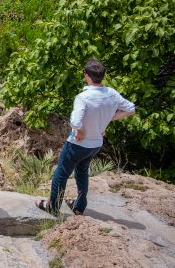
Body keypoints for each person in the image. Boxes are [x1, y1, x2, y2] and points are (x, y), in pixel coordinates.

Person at [37, 59, 135, 216]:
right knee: (82, 172)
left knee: (61, 174)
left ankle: (53, 207)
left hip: (77, 143)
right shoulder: (112, 94)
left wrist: (81, 130)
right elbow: (131, 108)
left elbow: (75, 122)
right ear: (102, 76)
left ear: (86, 76)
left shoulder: (83, 97)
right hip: (95, 144)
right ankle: (79, 207)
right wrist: (109, 118)